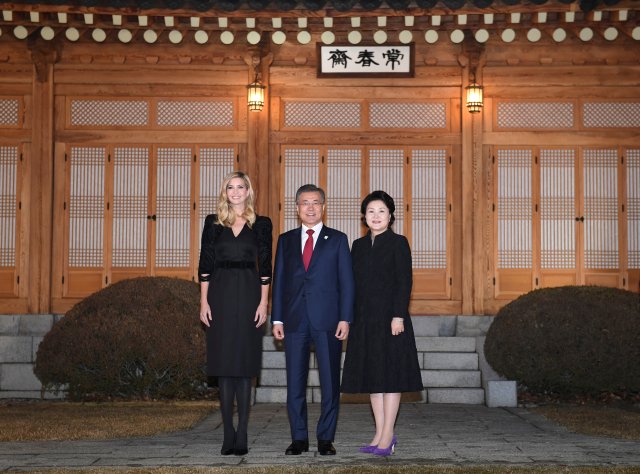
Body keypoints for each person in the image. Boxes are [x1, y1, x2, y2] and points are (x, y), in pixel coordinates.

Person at [271, 184, 355, 456]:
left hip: (328, 320)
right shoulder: (285, 240)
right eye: (305, 203)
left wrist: (345, 318)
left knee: (330, 382)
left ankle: (325, 438)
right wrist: (277, 319)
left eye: (315, 202)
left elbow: (347, 282)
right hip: (295, 320)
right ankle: (298, 439)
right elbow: (280, 282)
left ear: (323, 206)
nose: (310, 207)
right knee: (295, 382)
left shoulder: (338, 239)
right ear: (297, 208)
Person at [340, 190, 423, 457]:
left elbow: (404, 282)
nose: (376, 216)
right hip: (365, 320)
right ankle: (379, 433)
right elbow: (351, 285)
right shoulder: (358, 246)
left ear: (391, 216)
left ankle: (388, 436)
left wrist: (398, 315)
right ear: (364, 216)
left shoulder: (399, 243)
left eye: (382, 211)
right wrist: (349, 317)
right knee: (373, 379)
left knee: (391, 377)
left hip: (391, 320)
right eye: (371, 211)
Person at [198, 171, 272, 456]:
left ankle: (242, 432)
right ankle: (227, 431)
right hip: (219, 294)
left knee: (244, 367)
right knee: (225, 367)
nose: (236, 191)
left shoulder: (262, 224)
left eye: (241, 187)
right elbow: (205, 263)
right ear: (225, 191)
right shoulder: (213, 223)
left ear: (248, 191)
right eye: (231, 187)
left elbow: (265, 266)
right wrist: (203, 302)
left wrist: (263, 302)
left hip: (250, 294)